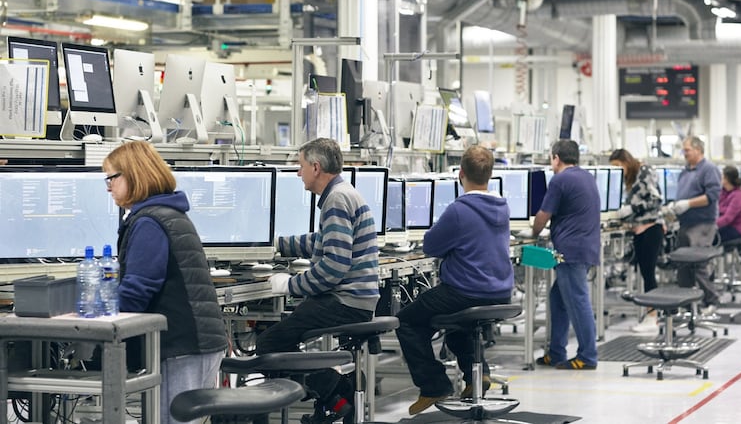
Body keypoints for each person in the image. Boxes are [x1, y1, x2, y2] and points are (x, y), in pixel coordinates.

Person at [102, 141, 227, 424]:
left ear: (134, 175)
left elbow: (137, 290)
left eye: (112, 178)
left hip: (182, 346)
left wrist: (95, 315)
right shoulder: (167, 213)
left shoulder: (149, 222)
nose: (108, 187)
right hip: (195, 343)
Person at [255, 138, 380, 419]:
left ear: (315, 167)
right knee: (282, 337)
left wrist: (290, 285)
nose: (298, 173)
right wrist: (276, 244)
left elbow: (333, 268)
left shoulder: (336, 200)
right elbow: (322, 241)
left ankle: (337, 392)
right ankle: (336, 394)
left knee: (269, 344)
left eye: (301, 166)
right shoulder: (343, 193)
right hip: (355, 299)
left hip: (345, 302)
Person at [395, 145, 514, 415]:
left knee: (406, 321)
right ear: (490, 175)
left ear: (460, 174)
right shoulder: (502, 206)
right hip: (500, 291)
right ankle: (477, 375)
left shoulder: (459, 210)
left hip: (467, 291)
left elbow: (431, 246)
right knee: (458, 327)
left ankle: (433, 385)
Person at [532, 139, 600, 370]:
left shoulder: (560, 180)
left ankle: (588, 356)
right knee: (558, 299)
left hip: (570, 252)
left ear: (556, 158)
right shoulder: (587, 177)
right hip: (586, 247)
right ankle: (556, 352)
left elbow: (544, 215)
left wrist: (532, 233)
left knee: (578, 302)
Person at [609, 148, 665, 333]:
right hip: (641, 229)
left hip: (650, 229)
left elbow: (654, 200)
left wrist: (631, 210)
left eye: (618, 165)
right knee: (645, 273)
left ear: (626, 161)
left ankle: (652, 317)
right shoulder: (631, 178)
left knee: (648, 275)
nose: (617, 170)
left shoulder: (644, 172)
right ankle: (650, 315)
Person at [670, 136, 722, 314]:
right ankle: (687, 305)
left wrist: (688, 204)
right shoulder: (685, 172)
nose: (684, 153)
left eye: (687, 150)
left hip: (702, 223)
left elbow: (712, 195)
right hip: (685, 223)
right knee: (683, 264)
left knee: (699, 264)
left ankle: (711, 301)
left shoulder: (709, 169)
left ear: (698, 150)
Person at [717, 165, 741, 243]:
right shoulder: (723, 192)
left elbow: (728, 218)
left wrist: (711, 225)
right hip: (726, 226)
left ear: (727, 179)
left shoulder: (738, 196)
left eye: (722, 176)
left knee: (709, 237)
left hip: (737, 229)